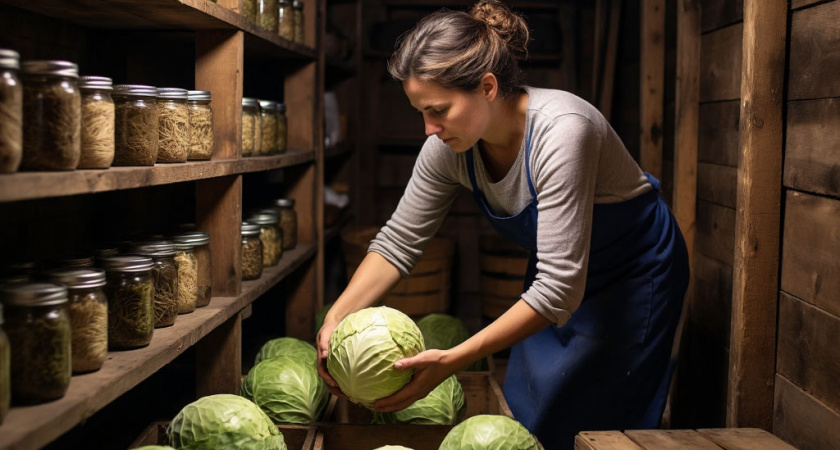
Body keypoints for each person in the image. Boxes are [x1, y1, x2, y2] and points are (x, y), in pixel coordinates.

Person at [316, 1, 689, 448]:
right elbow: (399, 241)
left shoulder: (562, 132)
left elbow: (558, 288)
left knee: (602, 423)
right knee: (531, 412)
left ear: (488, 87)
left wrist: (453, 359)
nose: (428, 128)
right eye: (420, 111)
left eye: (438, 109)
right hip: (556, 275)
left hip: (633, 274)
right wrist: (337, 316)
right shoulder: (448, 147)